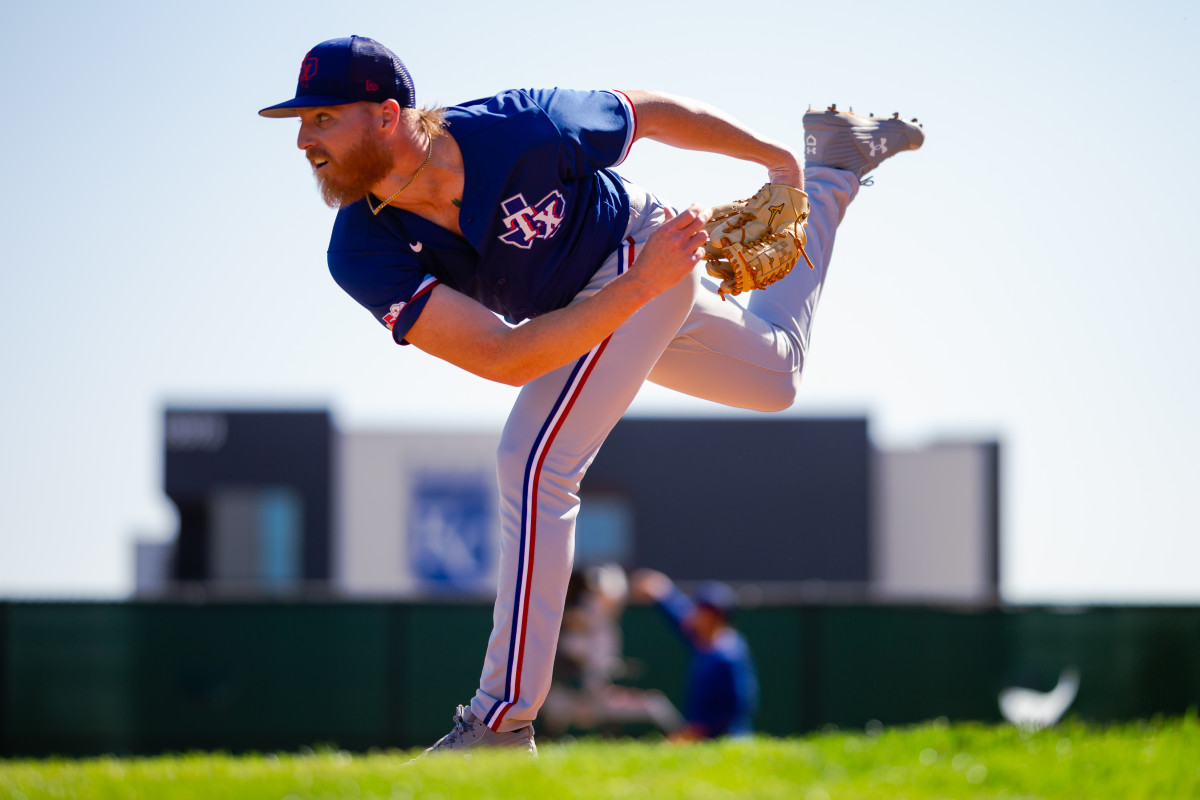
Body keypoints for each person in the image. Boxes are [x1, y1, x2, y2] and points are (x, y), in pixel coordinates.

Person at [259, 35, 924, 756]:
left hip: (640, 244)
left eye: (322, 118)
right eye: (301, 123)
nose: (303, 140)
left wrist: (773, 158)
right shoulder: (360, 248)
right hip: (609, 301)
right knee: (776, 377)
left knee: (536, 463)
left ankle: (500, 723)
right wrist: (640, 292)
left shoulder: (519, 128)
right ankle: (837, 166)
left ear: (387, 115)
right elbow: (506, 356)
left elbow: (650, 112)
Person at [541, 564, 684, 738]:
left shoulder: (606, 628)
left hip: (597, 696)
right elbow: (572, 664)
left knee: (656, 706)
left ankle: (684, 740)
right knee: (555, 709)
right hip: (571, 699)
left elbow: (603, 666)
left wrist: (617, 670)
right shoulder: (570, 626)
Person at [630, 570, 758, 741]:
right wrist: (662, 591)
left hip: (726, 738)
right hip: (702, 734)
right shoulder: (705, 640)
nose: (692, 614)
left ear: (714, 616)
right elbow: (678, 615)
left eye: (699, 610)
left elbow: (736, 707)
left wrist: (694, 734)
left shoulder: (727, 656)